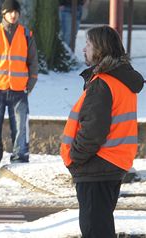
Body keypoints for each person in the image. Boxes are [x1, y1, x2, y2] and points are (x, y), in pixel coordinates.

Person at [60, 26, 144, 237]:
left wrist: (74, 158)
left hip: (96, 165)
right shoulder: (121, 81)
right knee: (100, 226)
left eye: (88, 44)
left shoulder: (103, 84)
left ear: (99, 49)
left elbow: (93, 130)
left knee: (95, 230)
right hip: (111, 163)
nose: (84, 49)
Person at [0, 0, 38, 173]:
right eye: (10, 12)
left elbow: (33, 63)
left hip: (19, 90)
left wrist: (29, 85)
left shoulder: (26, 34)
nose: (13, 15)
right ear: (4, 13)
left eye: (16, 12)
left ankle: (20, 159)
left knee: (20, 128)